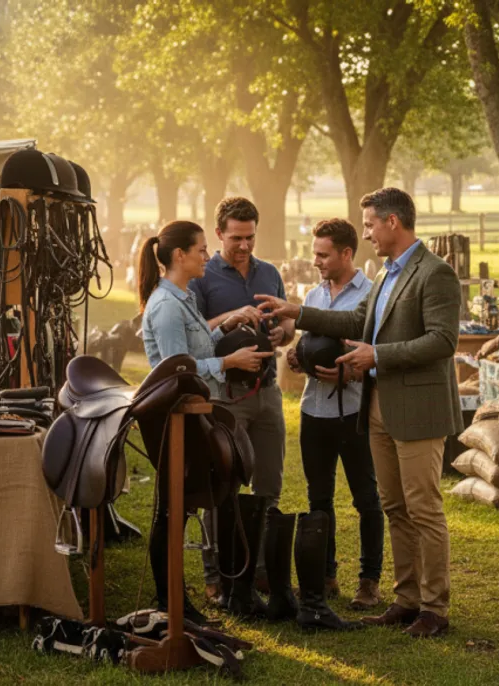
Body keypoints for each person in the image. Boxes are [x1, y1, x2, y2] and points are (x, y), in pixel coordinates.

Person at [257, 187, 462, 638]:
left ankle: (435, 607)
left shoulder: (436, 273)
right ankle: (406, 600)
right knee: (394, 506)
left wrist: (378, 356)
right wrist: (298, 312)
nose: (365, 233)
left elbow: (443, 341)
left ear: (393, 222)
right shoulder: (386, 273)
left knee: (423, 508)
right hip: (379, 407)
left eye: (369, 224)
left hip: (418, 409)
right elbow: (355, 322)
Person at [136, 220, 273, 622]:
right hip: (178, 421)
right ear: (179, 256)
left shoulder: (182, 298)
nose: (206, 256)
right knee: (172, 511)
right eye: (200, 249)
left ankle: (233, 592)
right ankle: (171, 602)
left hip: (198, 416)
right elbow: (178, 369)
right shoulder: (166, 306)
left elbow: (195, 349)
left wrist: (224, 330)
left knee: (210, 498)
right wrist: (228, 362)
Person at [189, 196, 293, 602]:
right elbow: (195, 335)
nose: (245, 245)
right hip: (226, 396)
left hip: (267, 392)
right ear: (219, 234)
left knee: (269, 485)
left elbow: (287, 323)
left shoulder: (269, 272)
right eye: (236, 238)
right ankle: (217, 575)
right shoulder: (202, 277)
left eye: (250, 237)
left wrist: (283, 332)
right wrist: (228, 319)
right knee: (222, 487)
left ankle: (261, 570)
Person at [286, 218, 384, 610]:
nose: (316, 261)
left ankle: (369, 581)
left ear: (346, 253)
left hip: (354, 411)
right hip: (313, 410)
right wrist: (298, 357)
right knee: (318, 498)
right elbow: (307, 345)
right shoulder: (312, 295)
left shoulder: (372, 296)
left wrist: (353, 372)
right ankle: (325, 577)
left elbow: (381, 355)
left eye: (323, 255)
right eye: (315, 254)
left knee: (366, 499)